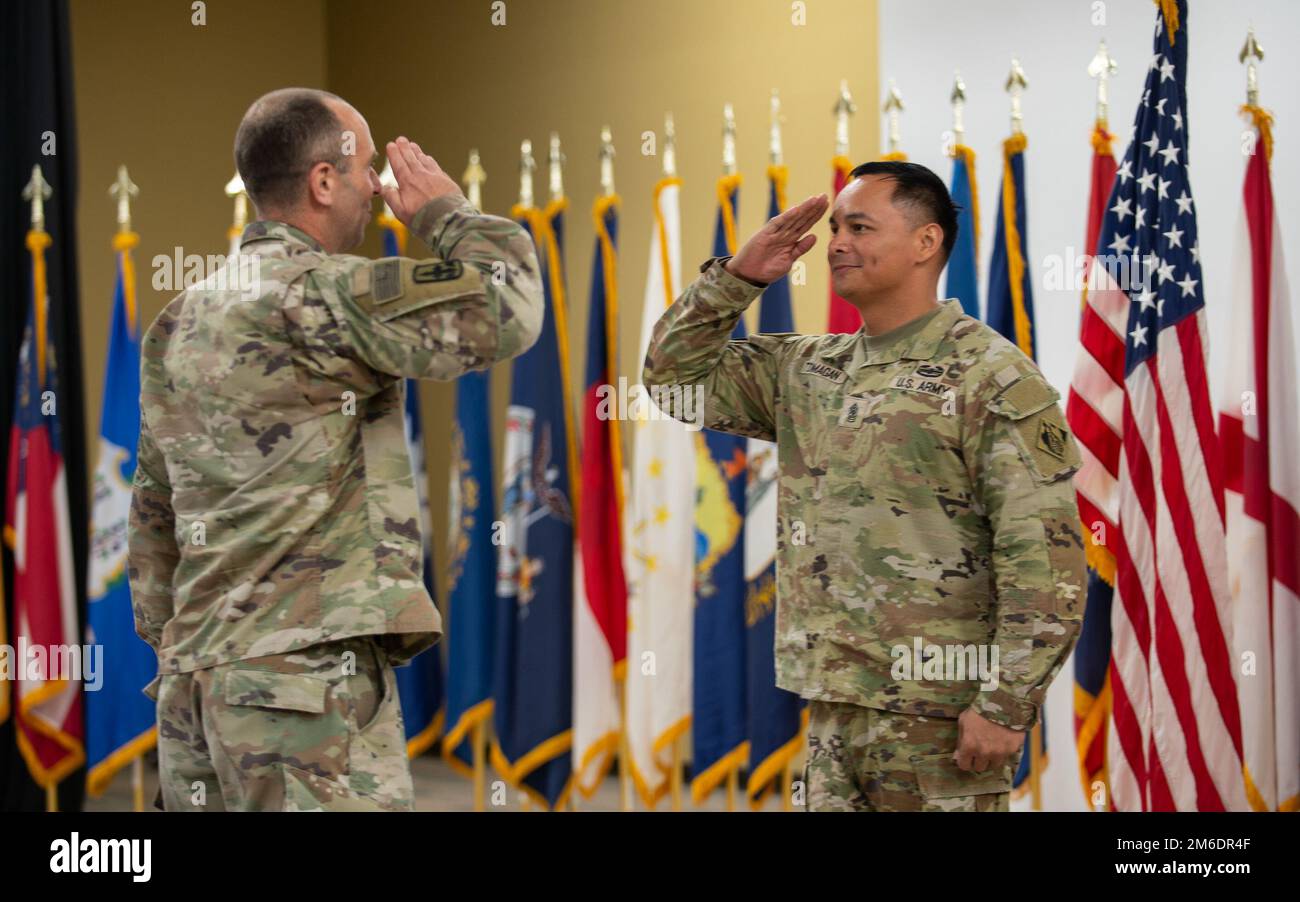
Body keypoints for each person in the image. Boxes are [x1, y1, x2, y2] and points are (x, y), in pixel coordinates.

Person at [127, 87, 543, 811]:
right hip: (301, 694)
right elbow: (508, 309)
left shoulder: (178, 317)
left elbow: (154, 515)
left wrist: (182, 654)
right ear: (323, 181)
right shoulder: (331, 292)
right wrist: (445, 212)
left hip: (193, 691)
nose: (378, 189)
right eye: (367, 169)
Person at [642, 160, 1084, 811]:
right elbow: (672, 383)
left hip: (940, 714)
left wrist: (1006, 704)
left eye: (859, 226)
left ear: (925, 243)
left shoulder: (990, 375)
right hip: (833, 707)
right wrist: (737, 280)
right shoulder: (810, 369)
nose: (837, 243)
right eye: (836, 227)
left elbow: (1044, 557)